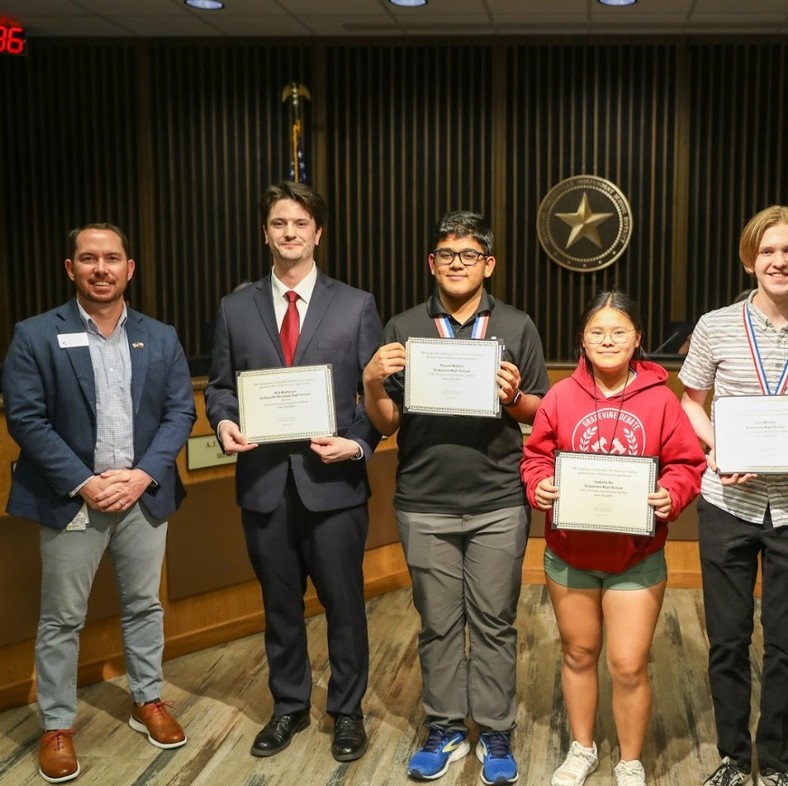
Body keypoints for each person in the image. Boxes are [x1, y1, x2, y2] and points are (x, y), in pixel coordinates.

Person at [2, 223, 196, 784]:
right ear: (71, 269)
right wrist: (85, 483)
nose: (101, 269)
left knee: (144, 606)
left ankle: (147, 699)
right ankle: (57, 726)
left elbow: (180, 412)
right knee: (62, 617)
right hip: (73, 501)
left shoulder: (160, 336)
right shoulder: (36, 335)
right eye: (89, 259)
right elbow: (26, 419)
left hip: (142, 497)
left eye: (112, 258)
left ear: (129, 268)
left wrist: (142, 476)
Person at [361, 210, 548, 785]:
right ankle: (443, 727)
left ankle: (494, 731)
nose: (457, 264)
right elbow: (387, 423)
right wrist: (370, 380)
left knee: (494, 622)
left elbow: (540, 411)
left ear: (488, 264)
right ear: (432, 263)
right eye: (447, 254)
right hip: (423, 501)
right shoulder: (403, 326)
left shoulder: (516, 325)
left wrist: (514, 397)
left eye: (469, 255)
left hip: (498, 500)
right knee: (438, 624)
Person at [678, 205, 788, 786]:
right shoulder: (715, 325)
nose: (778, 261)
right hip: (728, 501)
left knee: (786, 644)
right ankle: (733, 758)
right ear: (749, 261)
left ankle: (777, 763)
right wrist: (717, 448)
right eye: (766, 252)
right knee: (727, 640)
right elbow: (690, 403)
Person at [204, 181, 383, 763]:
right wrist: (223, 422)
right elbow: (221, 388)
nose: (289, 233)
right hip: (263, 484)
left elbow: (378, 393)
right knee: (279, 605)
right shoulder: (235, 308)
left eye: (300, 223)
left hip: (334, 485)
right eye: (279, 223)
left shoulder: (355, 304)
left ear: (317, 233)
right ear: (266, 233)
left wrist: (358, 444)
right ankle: (289, 706)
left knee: (344, 604)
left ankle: (347, 710)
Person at [520, 291, 706, 786]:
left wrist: (671, 493)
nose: (608, 340)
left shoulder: (662, 400)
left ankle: (629, 760)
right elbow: (535, 456)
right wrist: (538, 484)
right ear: (582, 339)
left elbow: (687, 464)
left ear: (637, 338)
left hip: (636, 557)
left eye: (619, 331)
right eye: (597, 332)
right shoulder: (560, 396)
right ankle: (582, 749)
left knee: (627, 665)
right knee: (579, 654)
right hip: (570, 553)